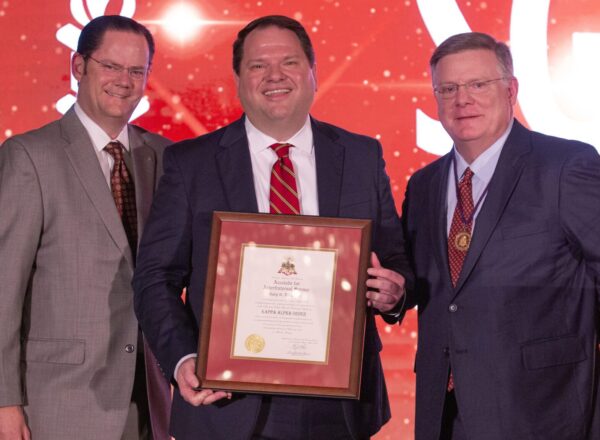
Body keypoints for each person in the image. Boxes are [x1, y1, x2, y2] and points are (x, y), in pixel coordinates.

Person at [133, 15, 410, 440]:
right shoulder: (192, 164)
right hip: (227, 404)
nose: (275, 76)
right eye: (258, 65)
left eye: (290, 62)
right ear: (239, 79)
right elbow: (155, 278)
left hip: (340, 403)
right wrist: (184, 357)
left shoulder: (361, 156)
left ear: (313, 72)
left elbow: (394, 260)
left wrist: (396, 292)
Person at [400, 31, 600, 439]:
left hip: (543, 410)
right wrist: (394, 294)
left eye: (478, 84)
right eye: (449, 88)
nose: (462, 100)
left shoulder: (567, 166)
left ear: (511, 89)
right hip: (444, 413)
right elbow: (429, 287)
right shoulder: (423, 185)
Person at [0, 15, 171, 440]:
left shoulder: (166, 157)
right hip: (58, 404)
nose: (124, 81)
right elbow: (3, 290)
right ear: (79, 67)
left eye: (137, 70)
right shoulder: (30, 156)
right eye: (111, 66)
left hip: (150, 400)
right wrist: (4, 402)